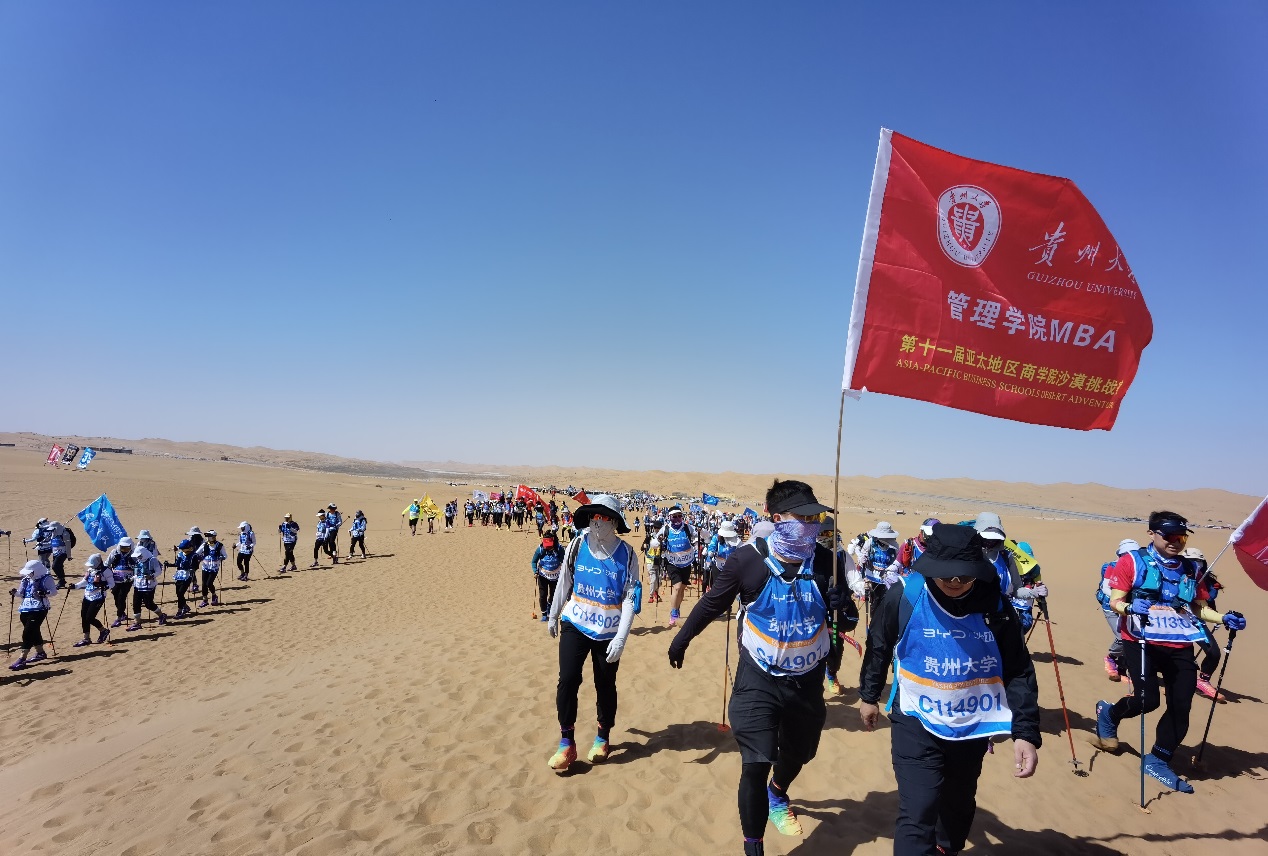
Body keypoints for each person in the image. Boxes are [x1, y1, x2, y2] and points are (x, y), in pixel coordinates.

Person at [669, 480, 842, 856]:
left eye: (815, 517)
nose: (812, 524)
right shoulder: (747, 560)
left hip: (806, 681)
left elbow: (844, 622)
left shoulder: (828, 561)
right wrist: (682, 638)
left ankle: (778, 791)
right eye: (803, 516)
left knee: (800, 753)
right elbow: (712, 603)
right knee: (756, 761)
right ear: (777, 519)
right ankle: (754, 847)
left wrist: (842, 607)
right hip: (758, 677)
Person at [859, 523, 1041, 856]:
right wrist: (869, 696)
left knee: (958, 806)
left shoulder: (996, 607)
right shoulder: (904, 596)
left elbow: (1018, 669)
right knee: (918, 811)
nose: (955, 582)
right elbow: (879, 646)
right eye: (946, 575)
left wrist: (1025, 732)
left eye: (964, 576)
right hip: (915, 719)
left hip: (971, 727)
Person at [1092, 511, 1247, 794]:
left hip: (1179, 643)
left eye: (1182, 537)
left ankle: (1158, 760)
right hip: (1140, 640)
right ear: (1152, 533)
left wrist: (1223, 618)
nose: (1176, 542)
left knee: (1181, 703)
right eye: (1170, 536)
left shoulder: (1190, 569)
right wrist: (1129, 607)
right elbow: (1115, 601)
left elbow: (1198, 607)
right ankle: (1109, 714)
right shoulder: (1132, 562)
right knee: (1147, 700)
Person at [546, 495, 640, 773]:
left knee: (605, 684)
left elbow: (629, 599)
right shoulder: (577, 545)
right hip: (575, 622)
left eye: (604, 517)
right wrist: (553, 614)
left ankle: (602, 737)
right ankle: (566, 742)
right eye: (593, 516)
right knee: (568, 679)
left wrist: (621, 637)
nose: (597, 522)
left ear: (615, 522)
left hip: (608, 630)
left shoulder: (629, 555)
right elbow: (565, 581)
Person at [975, 513, 1045, 635]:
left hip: (999, 620)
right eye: (986, 538)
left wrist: (1034, 593)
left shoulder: (1006, 557)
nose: (990, 542)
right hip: (974, 620)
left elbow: (1017, 591)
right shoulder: (967, 554)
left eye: (994, 538)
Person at [1097, 538, 1139, 682]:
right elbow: (1105, 588)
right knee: (1121, 637)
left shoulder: (1139, 567)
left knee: (1132, 637)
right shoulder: (1113, 566)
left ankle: (1122, 668)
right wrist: (1122, 598)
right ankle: (1111, 657)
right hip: (1111, 607)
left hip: (1130, 608)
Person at [9, 560, 60, 669]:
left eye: (30, 572)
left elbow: (54, 592)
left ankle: (22, 658)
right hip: (25, 609)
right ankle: (40, 653)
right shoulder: (25, 579)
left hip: (39, 608)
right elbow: (21, 593)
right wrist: (15, 593)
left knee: (27, 633)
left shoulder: (46, 578)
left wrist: (45, 593)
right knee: (34, 631)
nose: (28, 574)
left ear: (36, 571)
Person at [653, 505, 699, 628]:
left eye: (680, 516)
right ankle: (673, 613)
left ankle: (677, 608)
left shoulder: (688, 527)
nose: (677, 518)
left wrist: (699, 537)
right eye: (675, 516)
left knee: (682, 588)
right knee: (677, 587)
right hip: (672, 562)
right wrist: (659, 540)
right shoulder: (665, 529)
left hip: (686, 562)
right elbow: (655, 542)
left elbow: (697, 536)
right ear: (670, 517)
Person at [857, 521, 902, 621]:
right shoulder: (870, 543)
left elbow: (897, 561)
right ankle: (874, 622)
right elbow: (862, 557)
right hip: (872, 579)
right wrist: (862, 559)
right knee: (875, 603)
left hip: (887, 579)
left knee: (886, 602)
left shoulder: (894, 545)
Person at [72, 553, 113, 646]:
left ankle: (103, 630)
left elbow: (112, 584)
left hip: (98, 597)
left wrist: (104, 586)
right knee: (84, 616)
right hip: (87, 596)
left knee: (89, 617)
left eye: (92, 565)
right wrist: (76, 586)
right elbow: (85, 581)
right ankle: (86, 638)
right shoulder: (90, 570)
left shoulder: (106, 571)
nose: (91, 566)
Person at [127, 546, 168, 630]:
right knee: (136, 604)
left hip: (149, 585)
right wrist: (131, 578)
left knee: (148, 603)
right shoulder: (138, 561)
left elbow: (158, 571)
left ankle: (161, 615)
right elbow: (137, 573)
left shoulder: (153, 560)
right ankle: (137, 622)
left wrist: (151, 576)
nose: (138, 557)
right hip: (138, 585)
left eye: (140, 556)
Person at [532, 529, 566, 623]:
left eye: (549, 545)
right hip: (542, 575)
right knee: (543, 595)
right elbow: (534, 561)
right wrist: (535, 571)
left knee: (553, 594)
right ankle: (544, 613)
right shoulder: (540, 549)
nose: (547, 547)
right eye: (546, 545)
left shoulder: (559, 548)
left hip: (555, 575)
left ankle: (549, 605)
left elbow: (564, 561)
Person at [104, 537, 137, 627]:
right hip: (115, 579)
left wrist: (132, 562)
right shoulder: (114, 552)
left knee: (122, 597)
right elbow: (107, 564)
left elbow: (138, 566)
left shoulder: (134, 554)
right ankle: (122, 613)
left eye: (127, 548)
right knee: (116, 596)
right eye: (123, 548)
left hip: (127, 580)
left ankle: (118, 618)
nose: (125, 550)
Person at [196, 530, 228, 607]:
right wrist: (198, 557)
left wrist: (221, 557)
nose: (207, 538)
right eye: (207, 536)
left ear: (213, 537)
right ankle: (205, 599)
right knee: (204, 584)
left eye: (209, 536)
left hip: (214, 568)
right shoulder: (204, 545)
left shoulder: (219, 545)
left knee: (209, 583)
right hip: (205, 567)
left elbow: (225, 555)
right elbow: (197, 553)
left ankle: (214, 596)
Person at [168, 539, 198, 619]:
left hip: (187, 576)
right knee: (178, 593)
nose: (182, 550)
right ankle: (185, 606)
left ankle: (180, 611)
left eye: (183, 548)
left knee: (181, 593)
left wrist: (192, 569)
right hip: (179, 575)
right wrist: (169, 565)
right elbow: (177, 564)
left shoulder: (193, 555)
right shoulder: (180, 554)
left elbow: (196, 566)